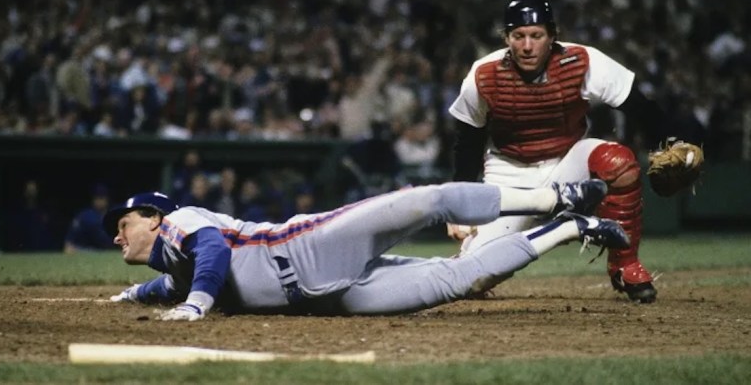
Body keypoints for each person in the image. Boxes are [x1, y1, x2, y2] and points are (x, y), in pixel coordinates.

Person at [106, 179, 629, 320]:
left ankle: (553, 198)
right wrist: (133, 294)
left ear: (154, 218)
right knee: (458, 280)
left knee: (429, 200)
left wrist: (197, 304)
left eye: (124, 224)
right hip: (332, 299)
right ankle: (569, 227)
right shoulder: (176, 268)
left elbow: (214, 252)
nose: (117, 236)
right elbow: (169, 285)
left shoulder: (181, 222)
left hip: (310, 247)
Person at [447, 0, 664, 303]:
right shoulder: (483, 74)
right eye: (518, 36)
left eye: (536, 35)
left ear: (552, 36)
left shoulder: (582, 60)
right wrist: (459, 208)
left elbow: (639, 105)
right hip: (509, 178)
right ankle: (568, 226)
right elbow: (467, 143)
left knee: (618, 161)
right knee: (469, 281)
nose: (527, 45)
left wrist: (670, 142)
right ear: (506, 38)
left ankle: (625, 266)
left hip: (568, 166)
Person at [64, 184, 114, 253]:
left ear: (107, 199)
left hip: (109, 251)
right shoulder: (84, 216)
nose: (99, 201)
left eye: (101, 198)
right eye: (96, 198)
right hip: (88, 250)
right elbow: (69, 244)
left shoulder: (114, 215)